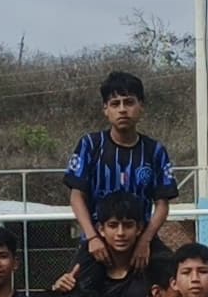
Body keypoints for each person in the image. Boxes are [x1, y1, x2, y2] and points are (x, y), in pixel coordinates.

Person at [68, 71, 179, 259]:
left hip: (141, 239)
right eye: (115, 104)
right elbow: (76, 196)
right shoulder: (90, 145)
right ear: (105, 109)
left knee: (172, 271)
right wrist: (92, 237)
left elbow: (162, 204)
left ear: (141, 106)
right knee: (74, 277)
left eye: (128, 102)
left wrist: (145, 240)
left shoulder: (155, 151)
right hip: (97, 239)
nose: (122, 110)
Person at [44, 196, 161, 297]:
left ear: (139, 228)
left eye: (128, 225)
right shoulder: (86, 269)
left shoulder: (156, 266)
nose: (120, 233)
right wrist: (59, 291)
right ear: (101, 229)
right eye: (113, 225)